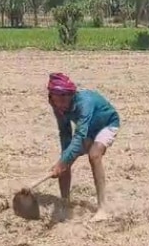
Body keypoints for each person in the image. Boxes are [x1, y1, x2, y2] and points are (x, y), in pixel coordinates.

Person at [46, 72, 121, 222]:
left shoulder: (84, 103)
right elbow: (65, 132)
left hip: (106, 124)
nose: (60, 104)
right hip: (88, 130)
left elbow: (79, 135)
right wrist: (64, 160)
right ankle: (64, 202)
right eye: (57, 100)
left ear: (71, 95)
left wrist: (61, 163)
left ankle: (102, 208)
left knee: (94, 154)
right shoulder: (56, 105)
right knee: (66, 157)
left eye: (63, 99)